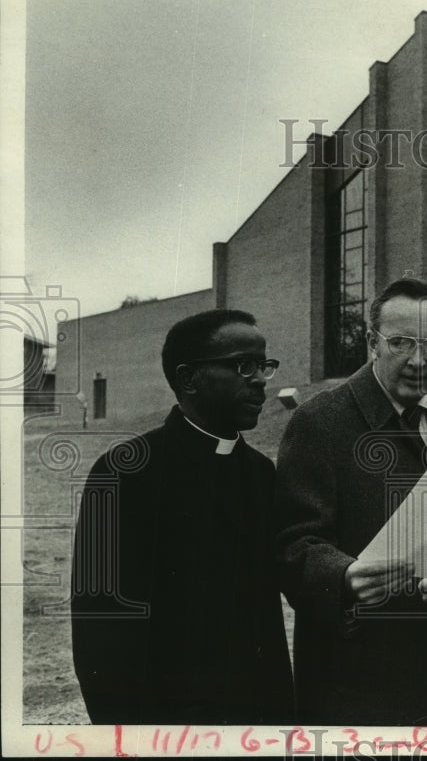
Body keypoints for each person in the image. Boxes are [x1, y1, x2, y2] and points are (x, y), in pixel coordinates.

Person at [71, 309, 293, 725]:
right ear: (189, 378)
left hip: (257, 724)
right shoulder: (125, 471)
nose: (261, 379)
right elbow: (101, 637)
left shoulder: (262, 474)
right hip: (169, 730)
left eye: (263, 365)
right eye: (242, 365)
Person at [274, 278, 427, 725]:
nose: (418, 360)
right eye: (401, 343)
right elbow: (292, 544)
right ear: (372, 342)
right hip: (356, 686)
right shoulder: (319, 422)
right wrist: (344, 576)